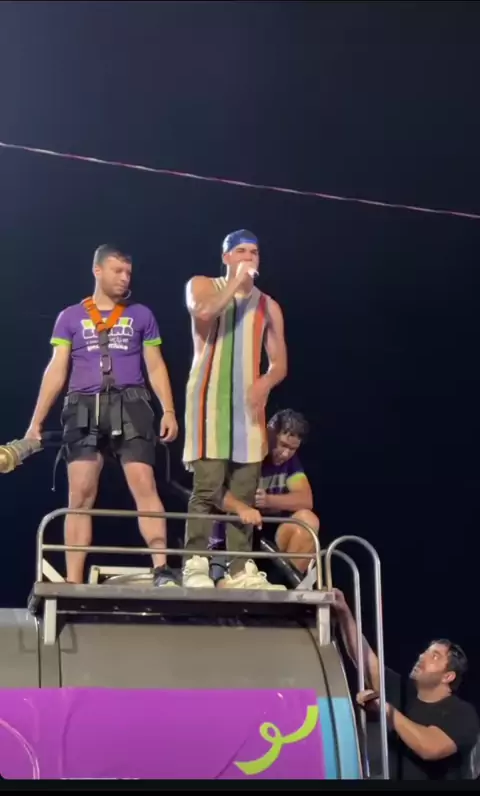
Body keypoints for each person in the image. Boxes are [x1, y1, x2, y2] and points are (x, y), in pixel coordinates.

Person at [25, 244, 179, 587]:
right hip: (82, 406)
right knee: (80, 493)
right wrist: (36, 422)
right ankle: (73, 579)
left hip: (132, 403)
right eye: (117, 271)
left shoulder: (141, 315)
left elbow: (155, 365)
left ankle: (161, 569)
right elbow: (56, 369)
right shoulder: (69, 317)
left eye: (128, 273)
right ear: (97, 271)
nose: (124, 278)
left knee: (144, 483)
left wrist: (168, 409)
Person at [182, 229, 288, 589]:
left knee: (244, 488)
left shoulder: (268, 305)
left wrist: (266, 382)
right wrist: (236, 283)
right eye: (241, 251)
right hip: (208, 401)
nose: (248, 257)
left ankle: (239, 567)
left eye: (254, 252)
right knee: (207, 486)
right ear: (226, 257)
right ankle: (195, 562)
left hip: (248, 407)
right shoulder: (202, 285)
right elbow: (205, 311)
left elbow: (280, 363)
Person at [333, 588, 480, 780]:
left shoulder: (462, 713)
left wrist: (386, 709)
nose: (422, 657)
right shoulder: (402, 692)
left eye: (434, 656)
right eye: (425, 652)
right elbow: (365, 659)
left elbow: (429, 748)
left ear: (448, 676)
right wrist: (343, 611)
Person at [209, 408, 320, 585]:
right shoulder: (243, 453)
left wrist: (268, 501)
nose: (286, 454)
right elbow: (213, 491)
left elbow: (306, 499)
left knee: (308, 521)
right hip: (231, 535)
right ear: (269, 432)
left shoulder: (290, 463)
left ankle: (286, 587)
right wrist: (241, 507)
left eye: (292, 449)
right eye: (283, 445)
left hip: (266, 537)